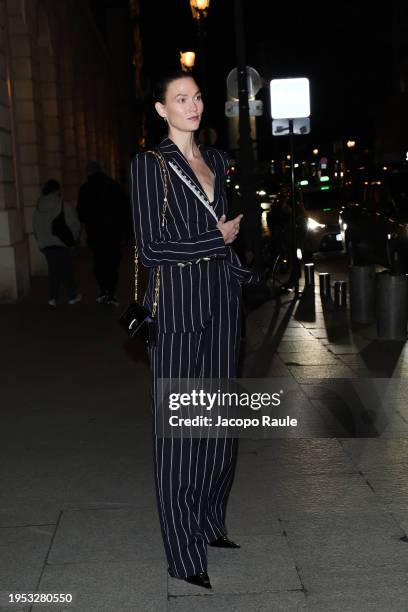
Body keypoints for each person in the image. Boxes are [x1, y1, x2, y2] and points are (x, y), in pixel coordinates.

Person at [130, 70, 259, 590]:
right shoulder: (150, 165)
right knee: (181, 436)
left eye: (198, 96)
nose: (193, 105)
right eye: (180, 99)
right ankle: (183, 554)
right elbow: (151, 249)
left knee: (220, 430)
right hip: (179, 317)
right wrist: (213, 239)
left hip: (223, 310)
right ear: (161, 110)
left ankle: (209, 523)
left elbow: (228, 239)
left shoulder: (219, 160)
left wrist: (242, 269)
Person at [77, 162, 127, 306]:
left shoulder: (85, 189)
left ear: (88, 173)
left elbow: (81, 213)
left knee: (99, 261)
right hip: (113, 233)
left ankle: (103, 290)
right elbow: (124, 210)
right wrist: (125, 233)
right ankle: (111, 292)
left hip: (95, 232)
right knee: (112, 262)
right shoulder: (114, 186)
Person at [33, 179, 81, 308]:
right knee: (66, 270)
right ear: (56, 190)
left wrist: (41, 241)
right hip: (61, 243)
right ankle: (72, 296)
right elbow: (73, 223)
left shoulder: (39, 205)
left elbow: (36, 226)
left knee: (54, 271)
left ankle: (52, 298)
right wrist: (74, 239)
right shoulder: (62, 204)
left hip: (47, 245)